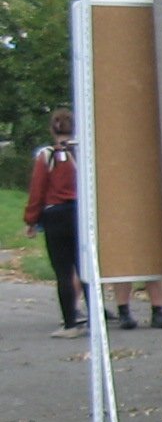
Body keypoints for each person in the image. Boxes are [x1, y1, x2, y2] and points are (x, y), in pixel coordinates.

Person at [23, 108, 83, 337]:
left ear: (52, 129)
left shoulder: (46, 155)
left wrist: (31, 220)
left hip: (55, 215)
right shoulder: (82, 154)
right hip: (79, 213)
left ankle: (70, 323)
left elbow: (37, 190)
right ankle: (94, 317)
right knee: (83, 267)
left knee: (63, 271)